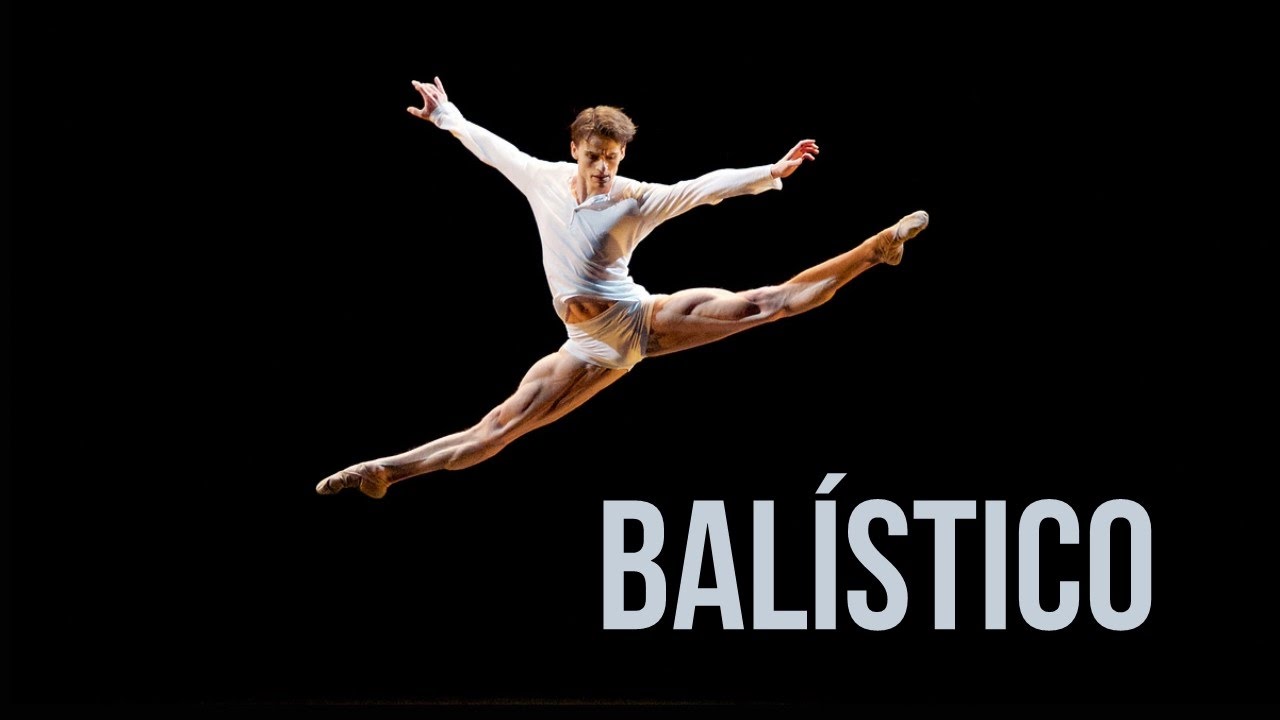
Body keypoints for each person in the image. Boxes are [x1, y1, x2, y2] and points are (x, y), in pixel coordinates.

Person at [317, 76, 928, 499]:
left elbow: (701, 188)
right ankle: (384, 471)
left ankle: (876, 250)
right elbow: (492, 150)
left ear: (622, 155)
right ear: (575, 150)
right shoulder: (545, 179)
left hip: (640, 318)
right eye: (594, 157)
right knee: (497, 428)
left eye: (613, 157)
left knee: (764, 304)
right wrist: (445, 115)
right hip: (585, 346)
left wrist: (769, 171)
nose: (604, 168)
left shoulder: (634, 199)